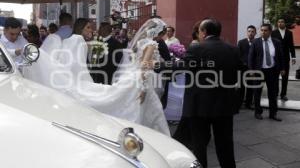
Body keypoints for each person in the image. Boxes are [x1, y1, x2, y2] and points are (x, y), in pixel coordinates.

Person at [23, 18, 170, 136]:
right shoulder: (151, 44)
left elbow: (139, 62)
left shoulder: (141, 42)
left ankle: (148, 135)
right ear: (157, 32)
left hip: (134, 77)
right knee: (141, 108)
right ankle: (151, 137)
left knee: (137, 106)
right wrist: (144, 85)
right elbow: (144, 65)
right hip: (139, 80)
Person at [155, 18, 241, 168]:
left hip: (199, 105)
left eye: (200, 30)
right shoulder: (232, 49)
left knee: (199, 145)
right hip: (224, 105)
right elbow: (240, 72)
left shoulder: (197, 48)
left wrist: (158, 66)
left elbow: (181, 66)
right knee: (225, 145)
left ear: (204, 32)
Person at [248, 23, 285, 121]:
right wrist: (251, 70)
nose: (263, 32)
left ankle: (273, 113)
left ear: (270, 32)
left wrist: (282, 68)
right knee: (257, 92)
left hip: (272, 71)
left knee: (273, 93)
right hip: (259, 72)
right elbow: (251, 57)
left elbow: (281, 56)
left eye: (265, 30)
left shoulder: (276, 42)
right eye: (262, 30)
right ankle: (258, 112)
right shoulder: (256, 42)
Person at [271, 18, 296, 101]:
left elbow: (291, 45)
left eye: (282, 22)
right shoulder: (273, 33)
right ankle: (275, 93)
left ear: (284, 23)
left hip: (285, 58)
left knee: (285, 77)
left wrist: (293, 57)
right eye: (279, 22)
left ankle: (283, 94)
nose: (280, 23)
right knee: (275, 77)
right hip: (276, 58)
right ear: (277, 23)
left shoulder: (289, 33)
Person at [237, 25, 256, 109]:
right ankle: (239, 103)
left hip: (253, 69)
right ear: (246, 32)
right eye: (249, 31)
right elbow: (238, 55)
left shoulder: (257, 42)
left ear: (255, 33)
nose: (250, 33)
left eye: (252, 31)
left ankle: (248, 103)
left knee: (250, 87)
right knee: (241, 87)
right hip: (243, 69)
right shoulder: (241, 42)